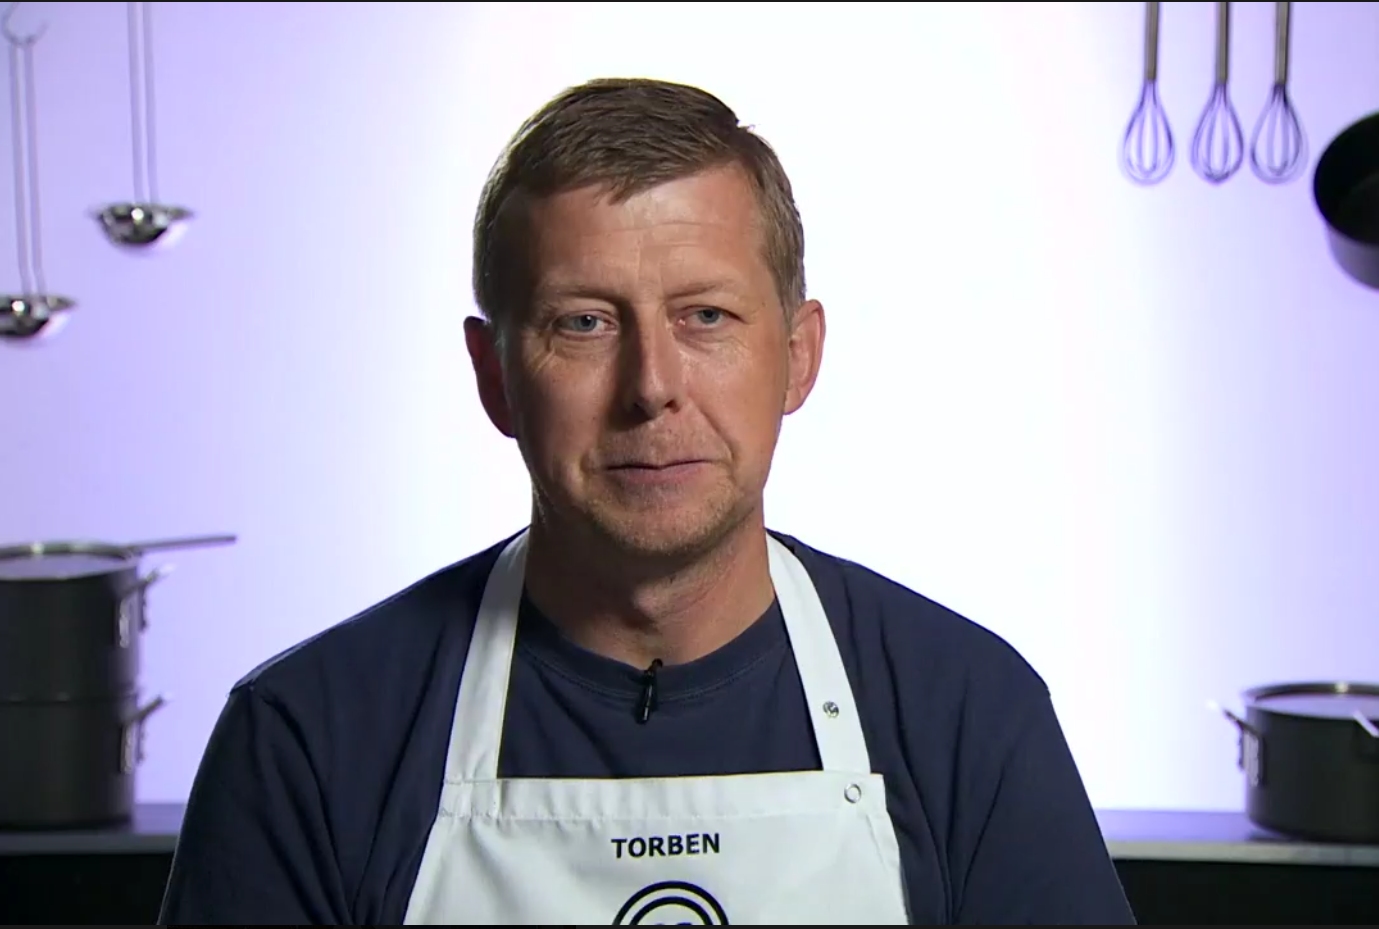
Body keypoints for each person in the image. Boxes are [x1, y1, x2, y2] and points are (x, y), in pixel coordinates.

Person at [158, 77, 1134, 926]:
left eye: (705, 315)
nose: (651, 386)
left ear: (798, 355)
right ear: (494, 376)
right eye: (583, 323)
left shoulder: (962, 712)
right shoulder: (310, 739)